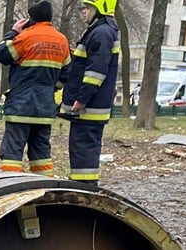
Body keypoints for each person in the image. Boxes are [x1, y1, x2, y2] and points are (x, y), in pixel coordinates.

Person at [0, 1, 70, 176]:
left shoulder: (27, 37)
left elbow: (2, 54)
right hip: (45, 109)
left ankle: (11, 185)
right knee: (41, 154)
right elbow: (66, 74)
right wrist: (50, 89)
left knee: (12, 153)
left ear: (31, 19)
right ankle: (45, 188)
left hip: (21, 106)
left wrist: (13, 32)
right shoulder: (61, 40)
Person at [59, 0, 119, 186]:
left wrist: (82, 99)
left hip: (89, 107)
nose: (83, 12)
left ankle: (84, 188)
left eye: (87, 8)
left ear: (100, 8)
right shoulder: (101, 31)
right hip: (91, 106)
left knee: (83, 150)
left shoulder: (101, 33)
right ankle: (83, 185)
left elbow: (95, 72)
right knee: (82, 150)